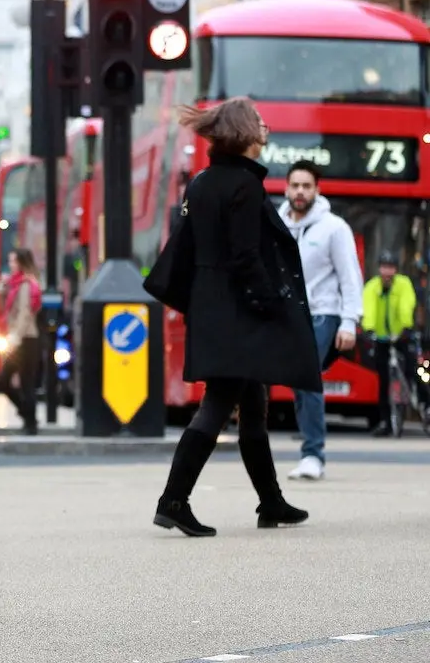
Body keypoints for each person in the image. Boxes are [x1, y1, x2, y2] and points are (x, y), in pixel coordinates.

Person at [151, 97, 318, 537]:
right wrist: (270, 302)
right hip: (237, 311)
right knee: (217, 405)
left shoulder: (203, 182)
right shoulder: (244, 186)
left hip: (212, 306)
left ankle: (271, 502)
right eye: (260, 123)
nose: (266, 127)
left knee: (254, 404)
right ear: (244, 132)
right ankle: (173, 501)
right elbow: (246, 256)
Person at [279, 160, 363, 480]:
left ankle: (313, 454)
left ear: (317, 189)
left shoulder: (334, 228)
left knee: (307, 377)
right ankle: (310, 452)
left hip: (322, 313)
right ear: (286, 188)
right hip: (287, 316)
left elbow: (350, 278)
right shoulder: (276, 223)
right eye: (295, 185)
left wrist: (348, 322)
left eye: (307, 186)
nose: (300, 192)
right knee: (299, 381)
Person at [361, 251, 418, 436]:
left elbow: (405, 305)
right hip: (381, 338)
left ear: (396, 269)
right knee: (383, 380)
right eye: (384, 267)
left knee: (412, 370)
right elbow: (368, 308)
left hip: (401, 334)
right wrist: (368, 329)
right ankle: (385, 421)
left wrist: (406, 326)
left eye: (391, 267)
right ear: (379, 269)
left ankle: (425, 405)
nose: (387, 271)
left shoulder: (403, 284)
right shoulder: (372, 287)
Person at [0, 249, 43, 433]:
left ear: (22, 263)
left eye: (13, 261)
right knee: (15, 381)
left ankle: (30, 422)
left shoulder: (26, 284)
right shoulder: (16, 284)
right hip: (21, 339)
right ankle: (29, 418)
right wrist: (1, 290)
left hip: (25, 339)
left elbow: (25, 313)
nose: (11, 265)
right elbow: (6, 311)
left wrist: (15, 336)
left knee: (20, 382)